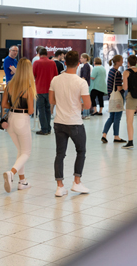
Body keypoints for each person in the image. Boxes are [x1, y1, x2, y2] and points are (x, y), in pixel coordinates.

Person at [49, 51, 91, 197]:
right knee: (81, 151)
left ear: (65, 63)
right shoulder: (81, 82)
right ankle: (77, 182)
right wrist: (78, 103)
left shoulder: (55, 79)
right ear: (78, 63)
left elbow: (51, 101)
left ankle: (60, 186)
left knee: (60, 154)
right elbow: (88, 104)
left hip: (59, 122)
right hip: (75, 123)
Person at [2, 58, 36, 193]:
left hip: (11, 119)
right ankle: (12, 173)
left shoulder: (10, 84)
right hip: (22, 119)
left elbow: (4, 104)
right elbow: (31, 110)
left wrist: (14, 106)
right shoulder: (29, 86)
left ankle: (22, 181)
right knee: (26, 152)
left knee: (20, 151)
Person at [101, 54, 126, 144]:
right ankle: (116, 136)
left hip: (111, 97)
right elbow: (119, 88)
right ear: (118, 62)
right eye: (122, 60)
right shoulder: (118, 73)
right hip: (118, 98)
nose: (123, 62)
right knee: (117, 117)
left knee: (111, 117)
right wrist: (125, 85)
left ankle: (104, 134)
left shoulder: (111, 71)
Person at [33, 47, 58, 135]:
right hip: (50, 89)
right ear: (47, 54)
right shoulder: (52, 63)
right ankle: (48, 128)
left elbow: (33, 75)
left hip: (39, 89)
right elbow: (56, 75)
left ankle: (44, 129)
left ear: (39, 54)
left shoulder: (36, 62)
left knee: (41, 110)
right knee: (48, 109)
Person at [79, 53, 92, 119]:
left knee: (84, 99)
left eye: (81, 58)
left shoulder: (86, 66)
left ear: (85, 58)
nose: (80, 59)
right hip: (85, 84)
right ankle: (85, 114)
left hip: (84, 85)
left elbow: (84, 76)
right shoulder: (84, 66)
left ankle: (85, 114)